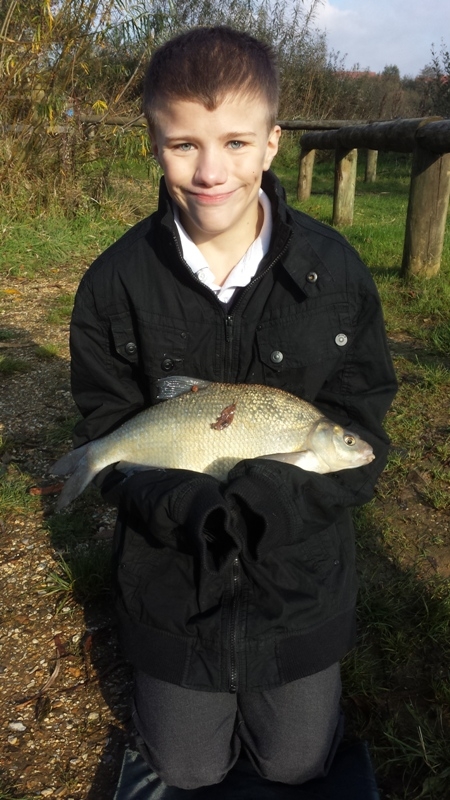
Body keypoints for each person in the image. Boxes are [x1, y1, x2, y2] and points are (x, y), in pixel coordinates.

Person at [68, 26, 397, 791]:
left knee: (297, 762)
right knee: (187, 765)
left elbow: (365, 421)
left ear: (274, 144)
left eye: (237, 142)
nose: (211, 171)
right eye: (183, 144)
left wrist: (271, 499)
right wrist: (180, 501)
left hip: (299, 578)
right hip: (171, 576)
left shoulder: (336, 270)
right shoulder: (114, 284)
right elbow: (103, 420)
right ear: (152, 142)